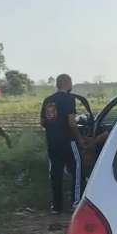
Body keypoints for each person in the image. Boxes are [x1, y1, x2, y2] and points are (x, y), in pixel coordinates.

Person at [40, 74, 86, 214]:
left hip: (53, 143)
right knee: (77, 171)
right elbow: (71, 122)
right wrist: (79, 138)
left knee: (55, 173)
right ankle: (76, 203)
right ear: (68, 83)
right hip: (68, 142)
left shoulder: (48, 100)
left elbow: (42, 122)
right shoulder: (69, 99)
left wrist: (54, 127)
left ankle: (56, 207)